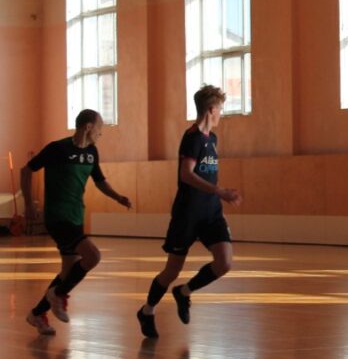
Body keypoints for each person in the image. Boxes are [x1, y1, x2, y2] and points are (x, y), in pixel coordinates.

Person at [136, 85, 241, 339]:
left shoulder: (212, 140)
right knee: (171, 271)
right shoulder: (192, 137)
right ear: (211, 110)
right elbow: (186, 174)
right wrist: (219, 191)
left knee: (224, 262)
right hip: (187, 214)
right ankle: (147, 311)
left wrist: (217, 196)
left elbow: (207, 173)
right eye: (220, 110)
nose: (221, 115)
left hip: (211, 213)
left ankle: (184, 292)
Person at [22, 109, 132, 335]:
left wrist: (118, 197)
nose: (101, 133)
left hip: (76, 216)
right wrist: (29, 203)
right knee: (93, 256)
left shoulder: (92, 152)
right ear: (88, 127)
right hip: (57, 216)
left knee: (68, 271)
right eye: (99, 128)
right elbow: (26, 170)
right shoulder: (57, 148)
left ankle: (37, 314)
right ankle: (58, 294)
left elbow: (99, 181)